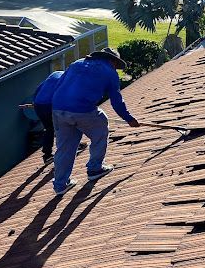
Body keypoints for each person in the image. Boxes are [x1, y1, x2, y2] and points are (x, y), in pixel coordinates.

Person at [51, 47, 140, 196]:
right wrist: (129, 118)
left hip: (58, 110)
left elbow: (59, 86)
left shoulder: (76, 63)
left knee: (64, 148)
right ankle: (95, 168)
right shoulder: (109, 72)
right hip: (82, 110)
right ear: (112, 61)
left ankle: (60, 185)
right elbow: (116, 101)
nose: (115, 69)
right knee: (101, 126)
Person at [32, 70, 64, 163]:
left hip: (38, 105)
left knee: (49, 128)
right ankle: (68, 148)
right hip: (49, 105)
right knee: (64, 125)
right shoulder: (65, 78)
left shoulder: (54, 74)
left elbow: (38, 89)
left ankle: (47, 155)